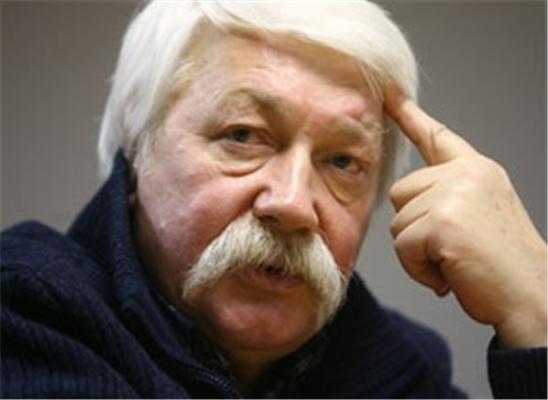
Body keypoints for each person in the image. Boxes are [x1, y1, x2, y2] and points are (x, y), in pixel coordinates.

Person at [1, 1, 546, 398]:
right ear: (137, 148)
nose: (292, 204)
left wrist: (537, 314)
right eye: (243, 135)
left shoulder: (408, 375)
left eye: (342, 162)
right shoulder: (23, 318)